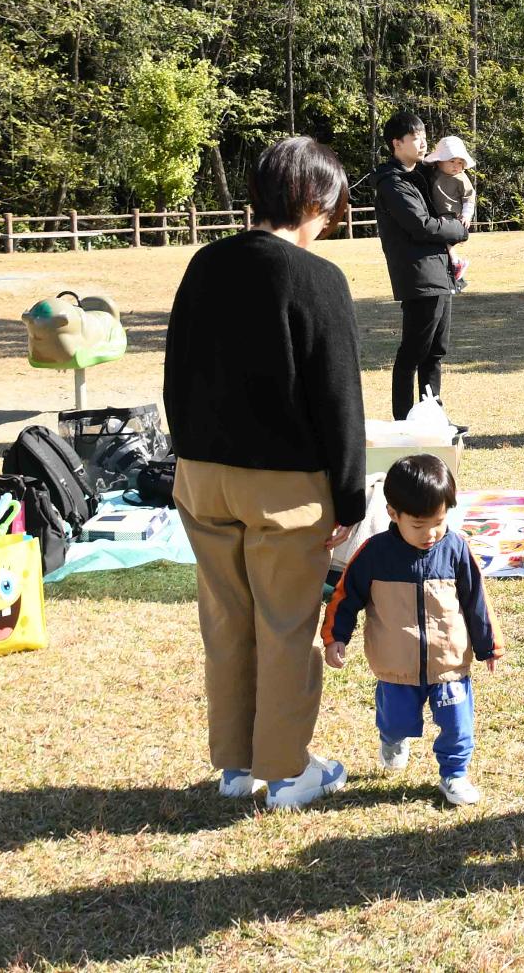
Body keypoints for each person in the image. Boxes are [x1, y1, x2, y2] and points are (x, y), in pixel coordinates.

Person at [163, 136, 367, 811]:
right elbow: (339, 398)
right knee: (285, 625)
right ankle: (287, 771)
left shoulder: (204, 263)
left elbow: (176, 373)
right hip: (284, 484)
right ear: (313, 199)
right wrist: (350, 491)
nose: (327, 224)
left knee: (227, 620)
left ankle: (235, 765)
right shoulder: (318, 279)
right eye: (329, 211)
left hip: (201, 473)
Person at [324, 454, 500, 808]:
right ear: (393, 514)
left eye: (438, 522)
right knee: (395, 721)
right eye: (419, 525)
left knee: (457, 725)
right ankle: (392, 739)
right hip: (395, 666)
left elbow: (475, 599)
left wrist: (488, 645)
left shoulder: (455, 549)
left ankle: (454, 773)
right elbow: (345, 597)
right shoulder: (374, 554)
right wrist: (335, 637)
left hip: (449, 663)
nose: (431, 534)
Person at [374, 111, 468, 420]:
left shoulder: (420, 176)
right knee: (412, 354)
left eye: (424, 136)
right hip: (419, 276)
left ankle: (432, 418)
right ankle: (402, 422)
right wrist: (458, 229)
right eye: (416, 137)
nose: (423, 142)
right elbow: (421, 225)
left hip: (439, 274)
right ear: (397, 143)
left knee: (435, 353)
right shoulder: (392, 181)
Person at [426, 135, 479, 290]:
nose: (456, 166)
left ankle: (457, 263)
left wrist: (467, 215)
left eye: (460, 162)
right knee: (440, 243)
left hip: (452, 216)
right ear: (439, 160)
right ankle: (453, 267)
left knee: (444, 240)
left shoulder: (462, 178)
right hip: (435, 215)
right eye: (452, 161)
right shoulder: (433, 173)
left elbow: (469, 198)